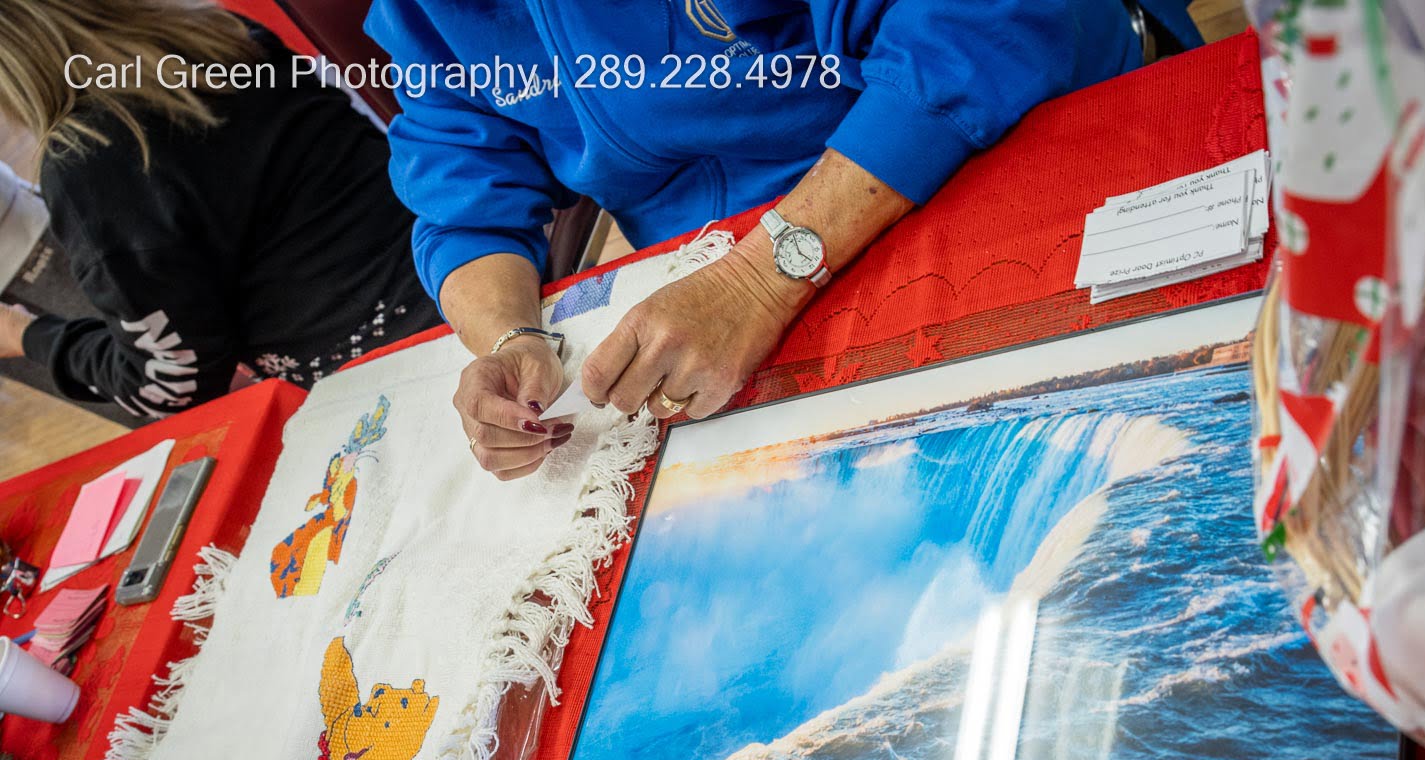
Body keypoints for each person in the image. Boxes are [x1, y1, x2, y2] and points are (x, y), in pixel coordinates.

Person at [368, 0, 1200, 480]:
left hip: (983, 144)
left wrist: (764, 279)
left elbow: (976, 25)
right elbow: (456, 150)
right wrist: (508, 337)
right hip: (737, 276)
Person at [0, 0, 442, 421]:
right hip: (461, 262)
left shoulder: (88, 161)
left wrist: (25, 335)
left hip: (404, 368)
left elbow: (176, 383)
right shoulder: (214, 33)